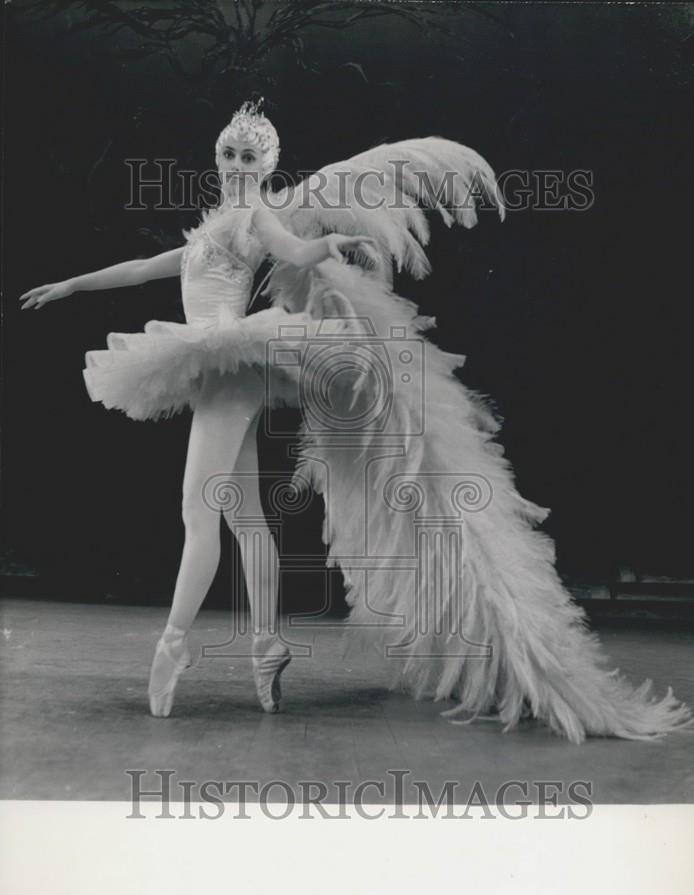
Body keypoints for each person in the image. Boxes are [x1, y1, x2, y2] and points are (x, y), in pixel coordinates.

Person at [20, 100, 692, 743]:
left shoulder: (254, 212)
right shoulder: (213, 225)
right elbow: (145, 268)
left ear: (268, 163)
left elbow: (291, 247)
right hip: (219, 364)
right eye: (229, 152)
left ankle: (173, 646)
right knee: (245, 517)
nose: (236, 163)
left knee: (201, 514)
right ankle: (267, 644)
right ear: (216, 156)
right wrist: (72, 285)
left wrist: (330, 243)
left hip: (228, 360)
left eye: (250, 154)